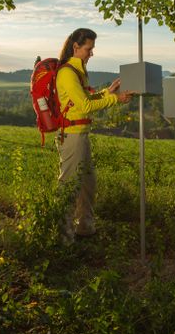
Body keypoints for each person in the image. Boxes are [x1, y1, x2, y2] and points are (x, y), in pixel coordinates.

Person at [55, 28, 134, 243]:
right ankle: (63, 238)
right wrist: (115, 99)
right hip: (72, 135)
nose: (91, 53)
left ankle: (85, 228)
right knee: (69, 186)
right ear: (76, 47)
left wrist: (108, 92)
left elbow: (87, 97)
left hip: (81, 134)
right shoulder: (67, 73)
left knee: (88, 183)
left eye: (92, 49)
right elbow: (85, 105)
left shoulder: (78, 72)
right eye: (89, 49)